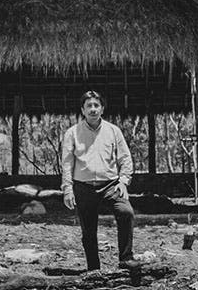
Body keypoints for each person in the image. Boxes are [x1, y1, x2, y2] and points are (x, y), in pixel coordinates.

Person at [61, 90, 140, 271]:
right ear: (83, 110)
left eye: (96, 105)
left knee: (126, 212)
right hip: (83, 187)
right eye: (89, 106)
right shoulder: (72, 133)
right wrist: (67, 188)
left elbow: (125, 158)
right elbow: (67, 163)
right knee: (88, 229)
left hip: (111, 185)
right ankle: (93, 269)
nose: (93, 109)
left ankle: (126, 258)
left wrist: (123, 181)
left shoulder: (113, 131)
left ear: (102, 109)